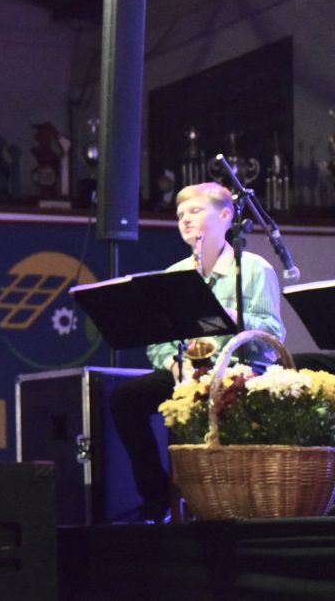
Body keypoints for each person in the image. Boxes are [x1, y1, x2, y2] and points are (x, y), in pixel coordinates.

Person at [110, 181, 286, 522]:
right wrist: (174, 366)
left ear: (225, 216)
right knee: (126, 399)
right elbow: (158, 340)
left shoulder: (253, 268)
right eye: (180, 215)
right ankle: (156, 496)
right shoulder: (175, 274)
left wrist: (232, 316)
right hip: (189, 373)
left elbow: (272, 335)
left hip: (240, 371)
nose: (185, 220)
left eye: (195, 211)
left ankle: (228, 500)